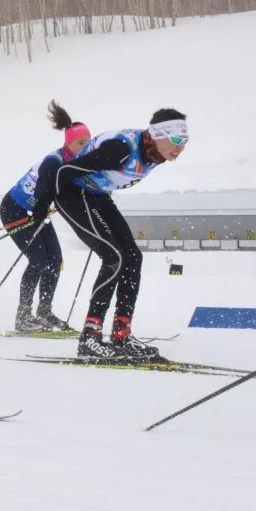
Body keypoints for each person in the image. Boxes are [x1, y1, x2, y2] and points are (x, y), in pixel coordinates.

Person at [27, 108, 189, 361]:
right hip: (73, 196)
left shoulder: (153, 151)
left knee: (133, 257)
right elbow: (65, 171)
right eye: (177, 140)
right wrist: (41, 203)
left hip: (97, 197)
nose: (180, 148)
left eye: (185, 142)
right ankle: (90, 337)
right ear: (159, 134)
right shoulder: (120, 150)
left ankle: (121, 335)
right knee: (114, 257)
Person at [1, 100, 90, 332]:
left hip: (36, 212)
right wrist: (43, 208)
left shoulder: (77, 161)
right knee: (38, 261)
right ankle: (23, 316)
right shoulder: (55, 161)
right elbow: (42, 190)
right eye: (82, 142)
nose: (86, 146)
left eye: (88, 142)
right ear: (69, 143)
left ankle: (44, 312)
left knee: (54, 261)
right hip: (15, 209)